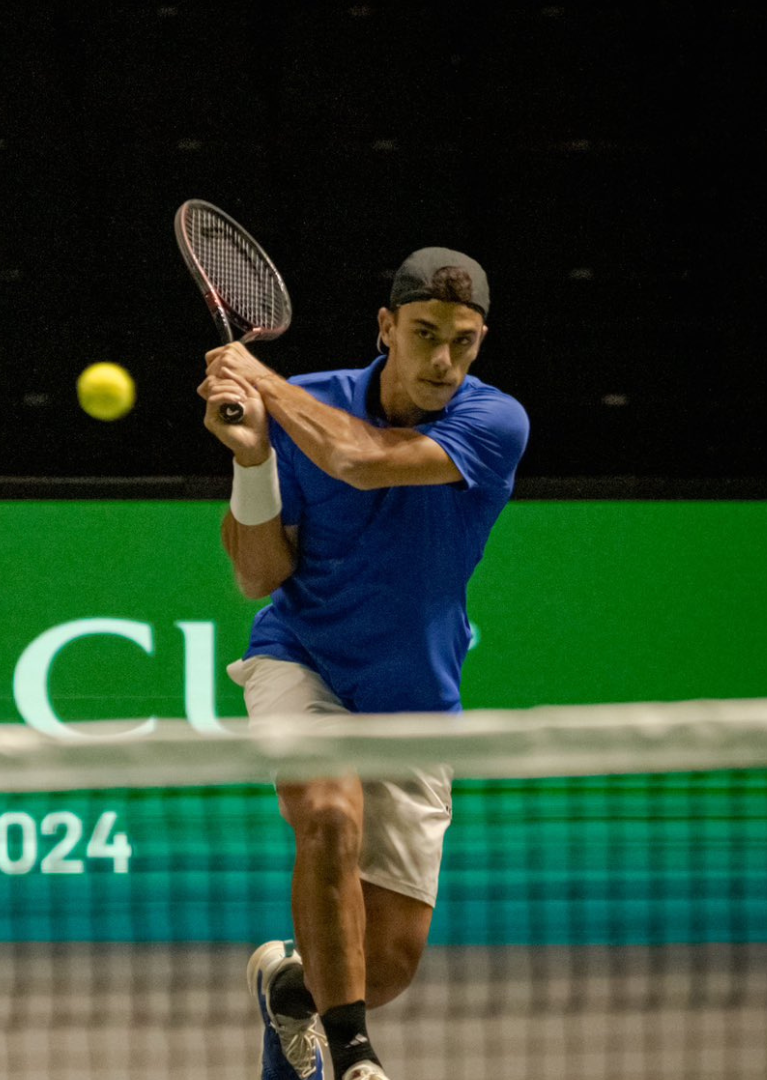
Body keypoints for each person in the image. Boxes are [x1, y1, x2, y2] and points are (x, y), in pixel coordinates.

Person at [196, 248, 529, 1080]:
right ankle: (353, 1057)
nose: (443, 360)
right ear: (386, 328)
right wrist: (251, 460)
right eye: (425, 335)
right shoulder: (311, 408)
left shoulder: (493, 423)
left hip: (414, 700)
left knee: (384, 965)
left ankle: (293, 986)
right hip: (301, 661)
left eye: (463, 341)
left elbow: (366, 461)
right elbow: (258, 576)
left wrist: (264, 385)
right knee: (330, 812)